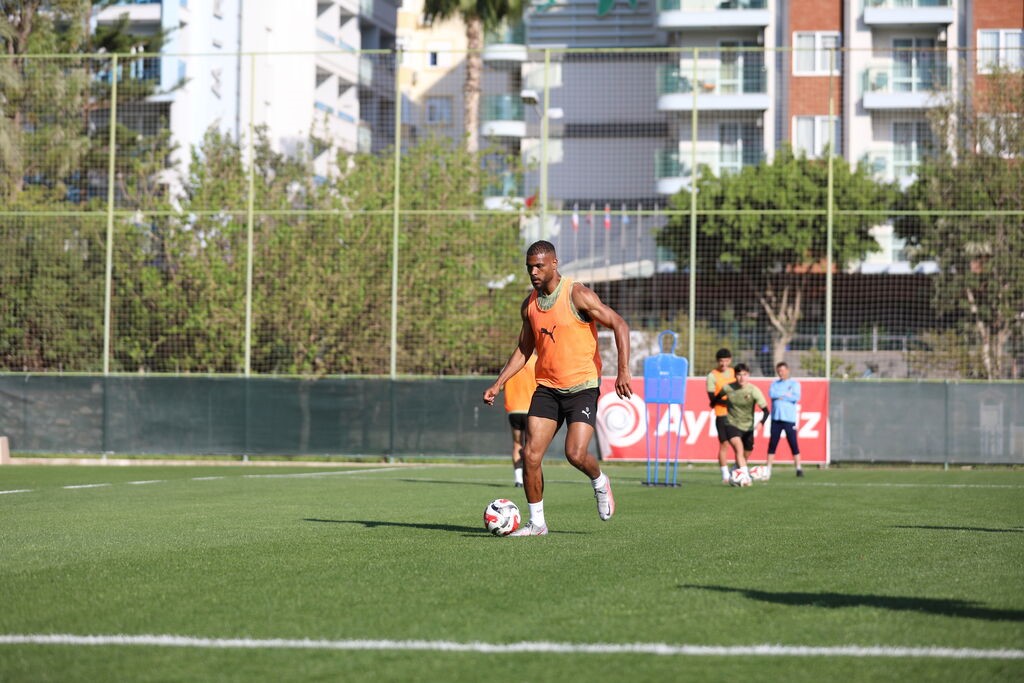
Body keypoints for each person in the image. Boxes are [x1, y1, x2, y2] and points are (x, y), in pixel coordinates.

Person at [483, 240, 632, 537]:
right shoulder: (529, 305)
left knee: (575, 454)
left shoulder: (578, 294)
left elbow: (619, 324)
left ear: (554, 263)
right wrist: (499, 383)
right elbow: (524, 348)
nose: (534, 272)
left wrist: (623, 371)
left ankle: (600, 482)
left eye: (539, 265)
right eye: (529, 267)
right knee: (530, 455)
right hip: (547, 388)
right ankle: (537, 523)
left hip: (582, 387)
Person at [712, 363, 769, 485]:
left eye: (745, 375)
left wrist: (761, 423)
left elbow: (766, 411)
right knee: (739, 448)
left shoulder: (754, 391)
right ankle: (745, 478)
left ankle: (735, 470)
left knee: (746, 454)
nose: (742, 378)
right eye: (739, 375)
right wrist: (721, 404)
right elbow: (715, 399)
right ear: (735, 376)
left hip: (748, 427)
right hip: (731, 424)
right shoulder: (728, 388)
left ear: (748, 376)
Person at [502, 353, 537, 487]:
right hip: (531, 410)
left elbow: (500, 386)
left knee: (517, 444)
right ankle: (530, 477)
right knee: (531, 446)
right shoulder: (536, 361)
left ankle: (518, 479)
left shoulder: (510, 363)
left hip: (513, 410)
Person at [767, 361, 803, 478]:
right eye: (779, 371)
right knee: (772, 444)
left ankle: (798, 468)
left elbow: (795, 397)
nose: (780, 373)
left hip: (789, 419)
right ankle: (768, 469)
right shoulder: (774, 384)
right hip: (776, 419)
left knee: (793, 444)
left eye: (782, 370)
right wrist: (785, 395)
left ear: (787, 370)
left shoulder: (794, 384)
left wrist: (782, 396)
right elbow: (772, 394)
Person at [706, 348, 736, 484]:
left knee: (740, 445)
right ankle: (725, 474)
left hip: (737, 415)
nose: (723, 364)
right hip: (721, 414)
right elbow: (712, 399)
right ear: (717, 361)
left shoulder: (736, 373)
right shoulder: (712, 376)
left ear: (730, 360)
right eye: (721, 361)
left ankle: (736, 470)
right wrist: (729, 401)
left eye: (726, 361)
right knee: (724, 444)